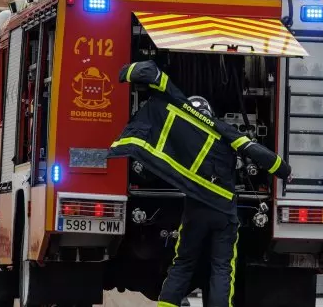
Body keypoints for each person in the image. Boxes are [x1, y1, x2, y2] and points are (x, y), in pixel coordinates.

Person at [108, 60, 292, 307]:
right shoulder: (221, 128)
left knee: (183, 263)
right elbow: (254, 150)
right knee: (221, 268)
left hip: (195, 211)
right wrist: (284, 170)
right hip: (224, 213)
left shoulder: (180, 132)